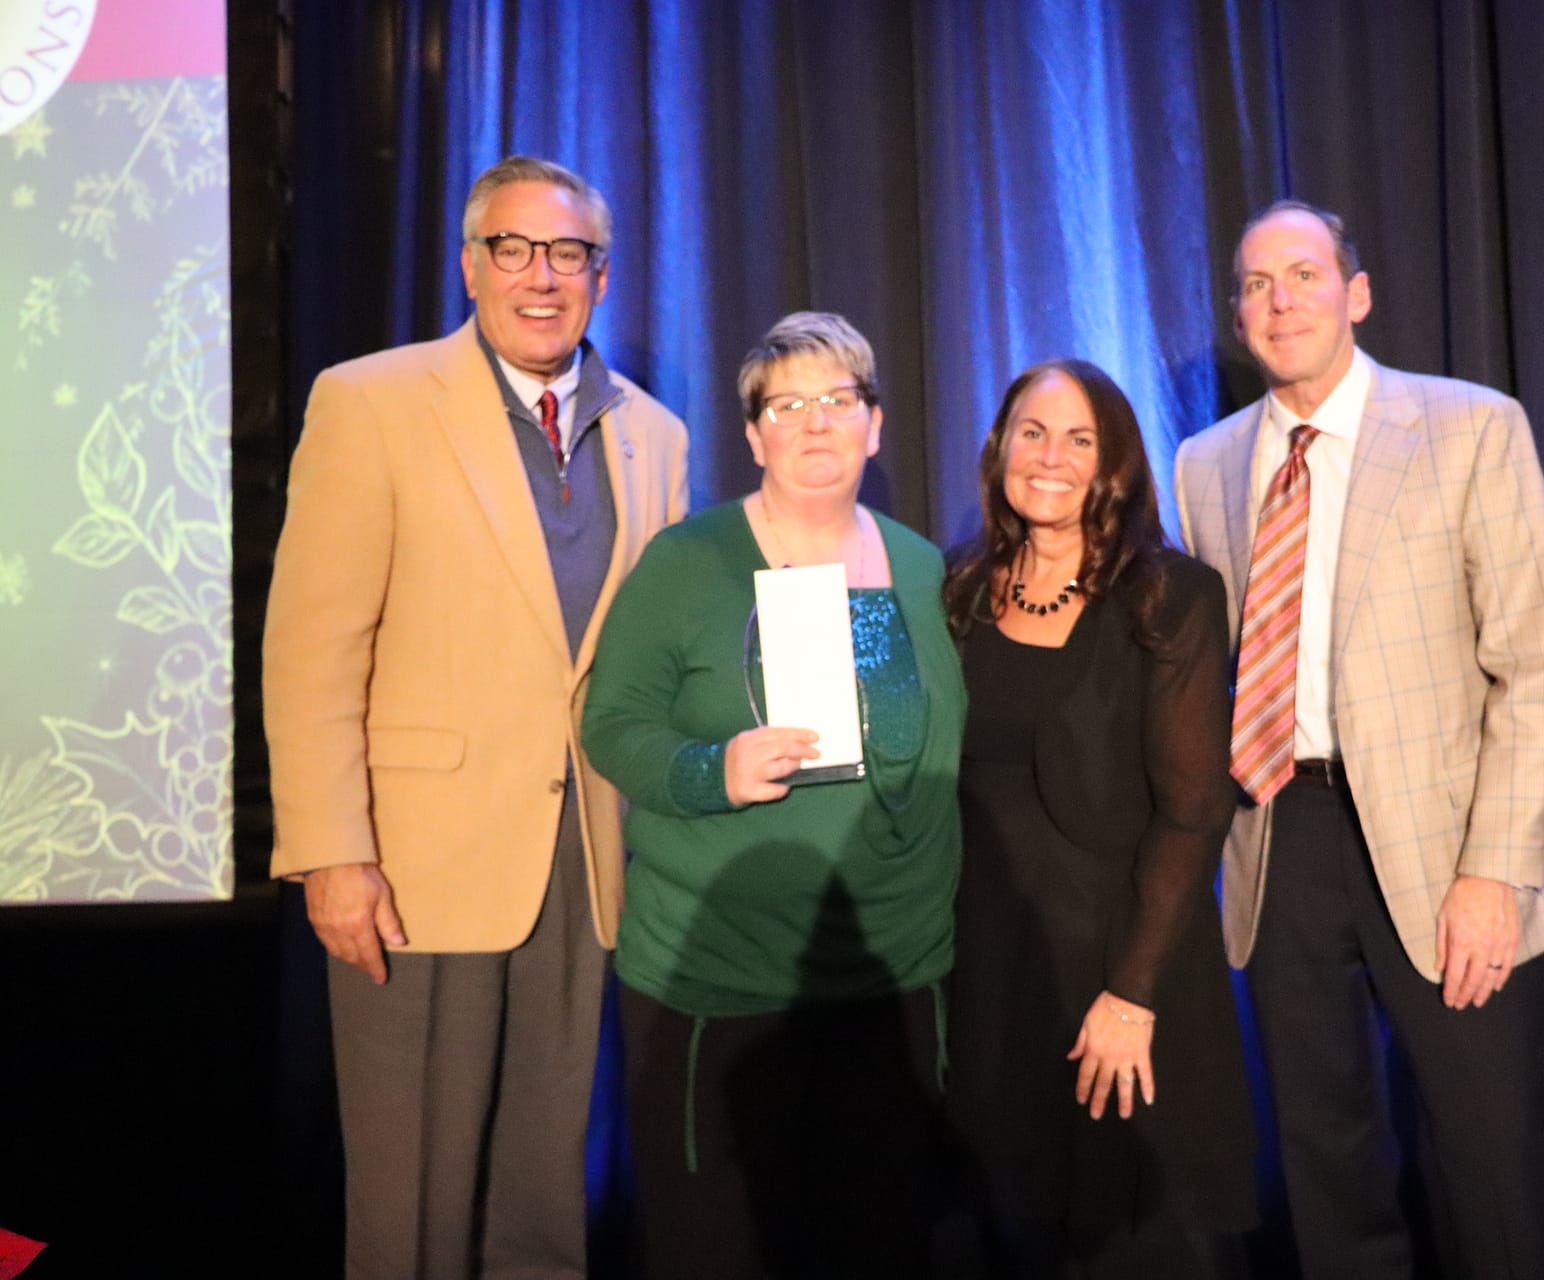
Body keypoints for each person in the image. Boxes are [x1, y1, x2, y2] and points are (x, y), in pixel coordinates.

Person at [262, 155, 688, 1279]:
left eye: (567, 254)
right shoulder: (372, 399)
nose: (539, 276)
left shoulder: (658, 434)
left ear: (603, 275)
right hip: (414, 867)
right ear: (470, 263)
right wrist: (331, 852)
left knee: (546, 1195)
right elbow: (312, 648)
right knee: (413, 1204)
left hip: (585, 861)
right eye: (513, 247)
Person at [1174, 200, 1544, 1279]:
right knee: (1326, 1157)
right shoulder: (1204, 464)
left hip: (1446, 846)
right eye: (1256, 284)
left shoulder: (1470, 426)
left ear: (1356, 294)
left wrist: (1497, 865)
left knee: (1493, 1156)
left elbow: (1532, 669)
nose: (1279, 299)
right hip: (1278, 831)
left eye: (1303, 274)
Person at [580, 311, 964, 1278]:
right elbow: (610, 722)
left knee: (877, 1246)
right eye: (787, 404)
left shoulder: (921, 569)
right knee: (721, 1249)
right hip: (722, 989)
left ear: (875, 425)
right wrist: (713, 772)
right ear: (753, 435)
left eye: (839, 399)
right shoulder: (689, 562)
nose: (815, 422)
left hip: (892, 983)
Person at [943, 359, 1257, 1278]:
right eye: (1032, 433)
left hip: (1121, 963)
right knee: (1011, 1225)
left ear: (1114, 462)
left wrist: (1131, 991)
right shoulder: (955, 588)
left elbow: (1196, 810)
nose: (1051, 457)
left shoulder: (1172, 597)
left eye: (1080, 439)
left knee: (1133, 1242)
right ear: (1001, 448)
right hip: (990, 968)